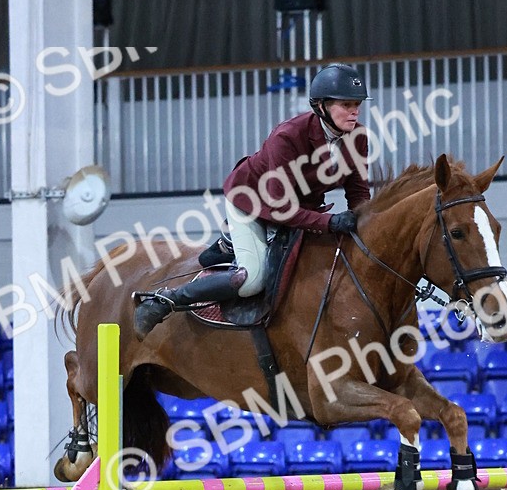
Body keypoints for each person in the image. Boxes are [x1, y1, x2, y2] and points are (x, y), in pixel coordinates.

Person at [133, 62, 372, 340]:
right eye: (346, 104)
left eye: (357, 104)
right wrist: (329, 222)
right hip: (254, 203)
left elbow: (358, 191)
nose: (354, 111)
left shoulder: (358, 137)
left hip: (302, 209)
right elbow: (279, 207)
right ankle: (165, 300)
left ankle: (228, 246)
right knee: (251, 280)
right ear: (321, 106)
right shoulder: (288, 136)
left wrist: (364, 221)